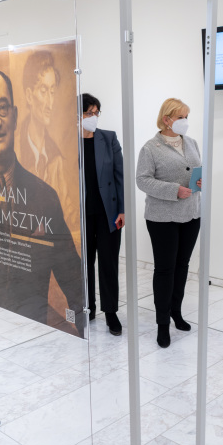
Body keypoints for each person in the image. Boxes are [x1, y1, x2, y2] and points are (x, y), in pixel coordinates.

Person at [0, 68, 84, 336]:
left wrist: (86, 328)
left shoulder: (46, 197)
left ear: (16, 116)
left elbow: (71, 274)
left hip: (32, 330)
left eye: (3, 108)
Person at [136, 98, 201, 348]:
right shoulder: (150, 148)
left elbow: (195, 170)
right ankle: (162, 323)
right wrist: (174, 190)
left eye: (187, 116)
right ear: (167, 119)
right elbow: (142, 180)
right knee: (165, 270)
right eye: (181, 117)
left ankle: (176, 312)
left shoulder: (192, 142)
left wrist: (199, 182)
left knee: (182, 266)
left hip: (191, 214)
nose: (185, 121)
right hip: (162, 218)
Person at [17, 50, 79, 238]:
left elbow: (69, 216)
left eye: (53, 92)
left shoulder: (55, 160)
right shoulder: (14, 151)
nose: (50, 103)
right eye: (44, 91)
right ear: (29, 96)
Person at [80, 93, 125, 336]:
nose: (93, 117)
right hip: (81, 215)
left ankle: (111, 312)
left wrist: (123, 210)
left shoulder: (108, 138)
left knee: (108, 263)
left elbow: (120, 175)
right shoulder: (66, 142)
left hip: (108, 213)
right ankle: (88, 308)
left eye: (96, 112)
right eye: (89, 112)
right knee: (84, 264)